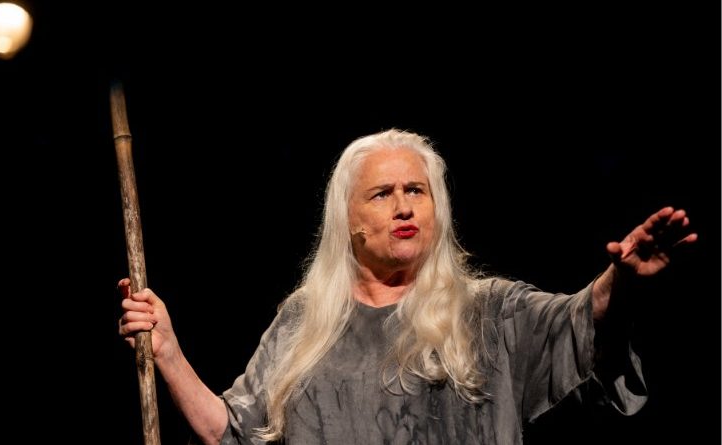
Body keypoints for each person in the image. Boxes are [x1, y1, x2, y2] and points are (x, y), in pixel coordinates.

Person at [118, 129, 696, 445]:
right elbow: (233, 430)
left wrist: (621, 282)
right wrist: (168, 350)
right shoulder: (304, 322)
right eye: (383, 194)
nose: (404, 207)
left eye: (416, 191)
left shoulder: (490, 313)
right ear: (349, 220)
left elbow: (578, 323)